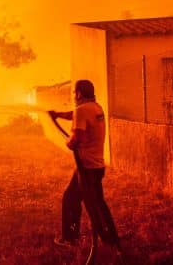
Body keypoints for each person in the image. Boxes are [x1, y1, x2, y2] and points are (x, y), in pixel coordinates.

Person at [48, 79, 121, 253]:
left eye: (74, 92)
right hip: (95, 166)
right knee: (81, 200)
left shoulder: (82, 110)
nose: (74, 96)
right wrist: (57, 114)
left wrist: (68, 141)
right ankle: (105, 238)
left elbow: (76, 141)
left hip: (86, 168)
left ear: (79, 93)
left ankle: (106, 240)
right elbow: (75, 114)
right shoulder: (96, 108)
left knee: (91, 204)